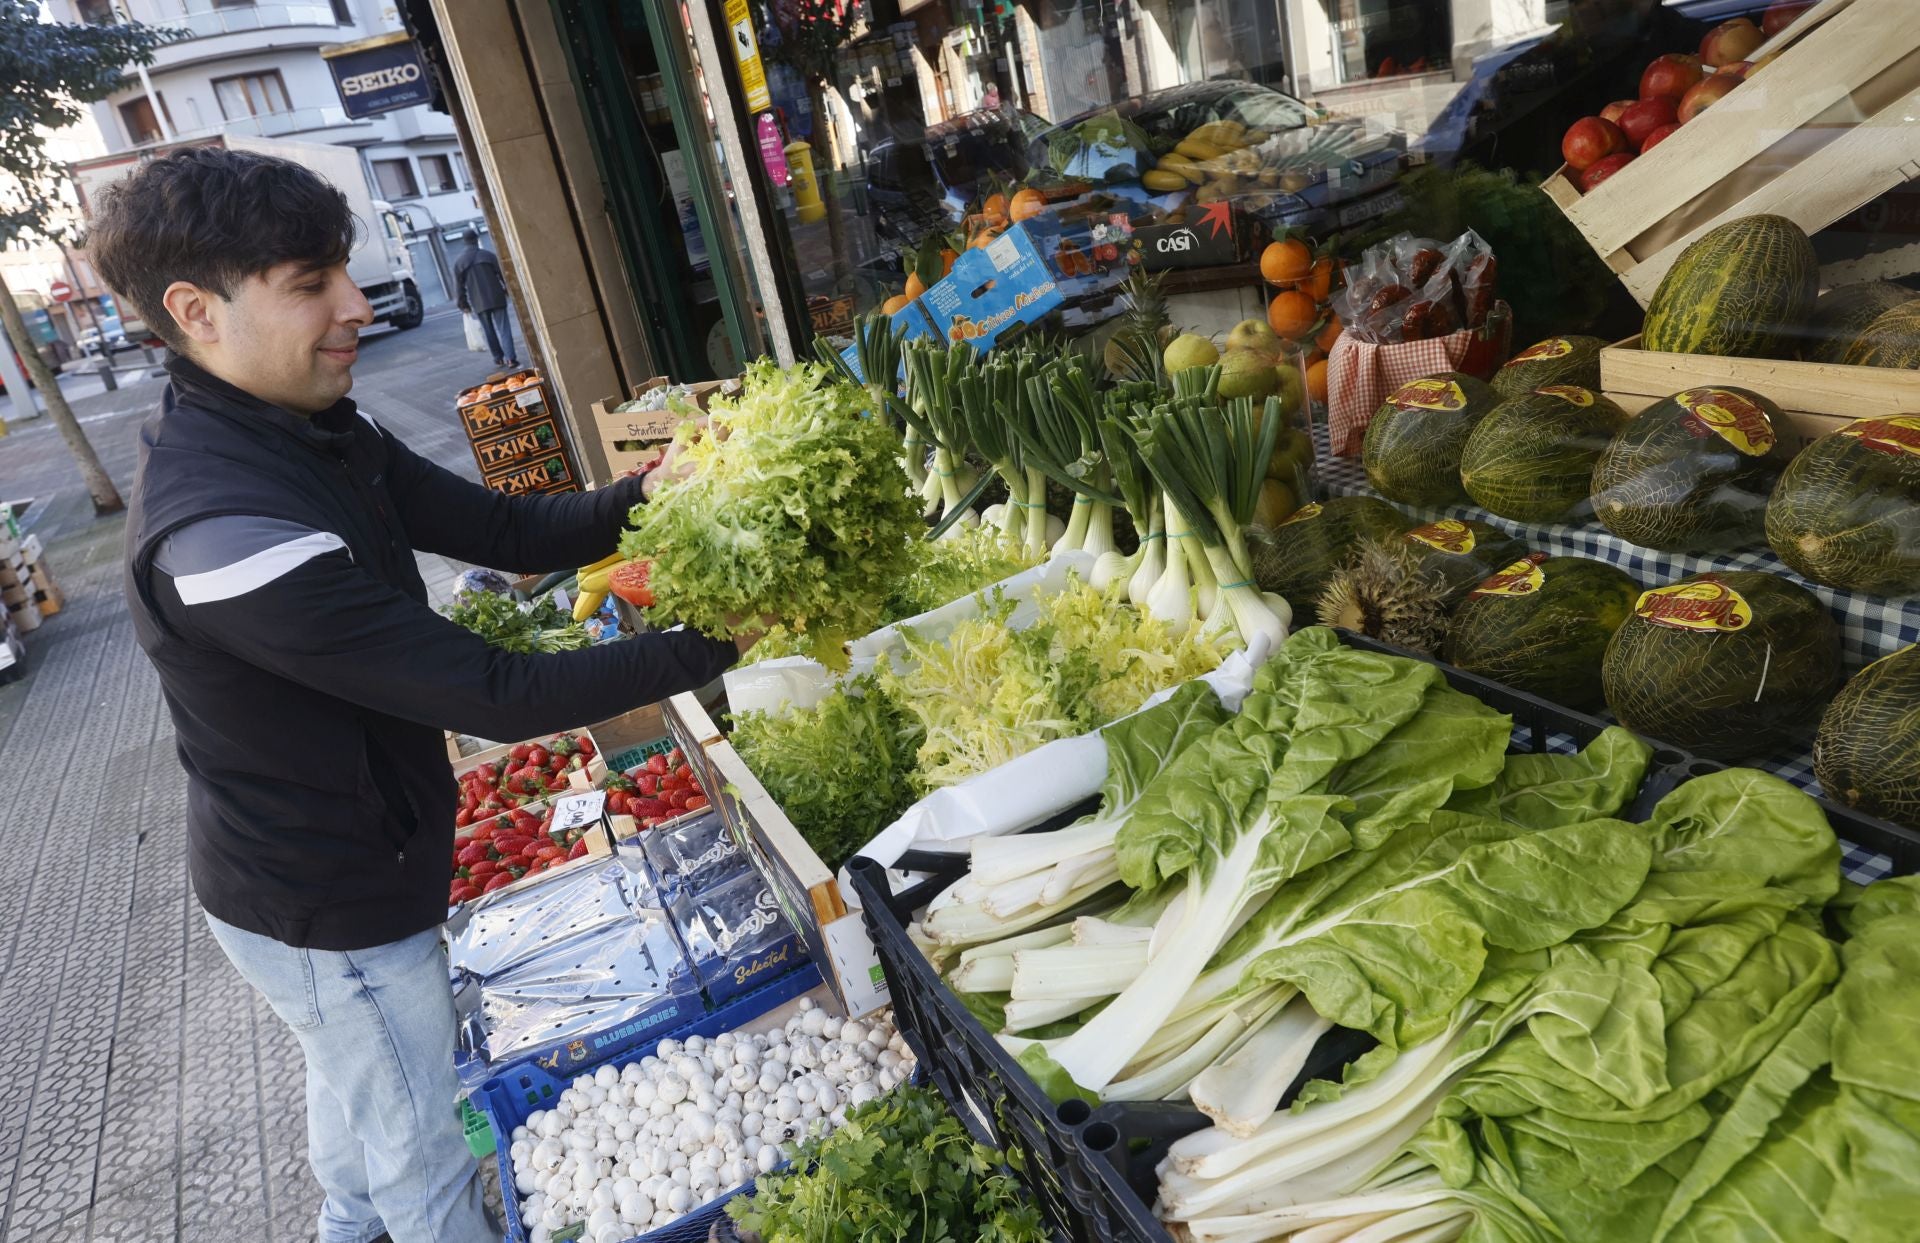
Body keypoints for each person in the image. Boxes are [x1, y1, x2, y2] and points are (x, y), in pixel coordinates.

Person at [90, 146, 747, 1243]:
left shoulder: (311, 420)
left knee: (359, 1092)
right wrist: (711, 642)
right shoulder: (219, 531)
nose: (357, 306)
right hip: (324, 891)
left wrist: (645, 494)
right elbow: (492, 692)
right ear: (196, 311)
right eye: (310, 285)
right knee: (420, 1153)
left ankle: (343, 1229)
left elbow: (500, 530)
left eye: (344, 270)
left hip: (352, 852)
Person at [452, 230, 520, 369]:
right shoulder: (488, 256)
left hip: (478, 302)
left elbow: (459, 286)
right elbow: (503, 275)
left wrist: (463, 303)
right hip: (497, 298)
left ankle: (498, 358)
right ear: (476, 239)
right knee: (504, 329)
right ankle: (511, 359)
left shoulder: (459, 262)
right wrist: (508, 290)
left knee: (488, 330)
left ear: (464, 242)